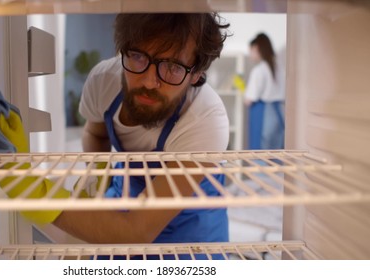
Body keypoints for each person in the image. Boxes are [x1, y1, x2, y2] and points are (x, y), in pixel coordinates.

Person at [52, 13, 230, 259]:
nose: (148, 81)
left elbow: (136, 232)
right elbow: (95, 133)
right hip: (127, 198)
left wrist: (36, 197)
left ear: (196, 75)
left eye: (172, 67)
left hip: (192, 226)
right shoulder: (104, 81)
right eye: (137, 56)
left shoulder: (205, 117)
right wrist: (97, 176)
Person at [244, 33, 285, 150]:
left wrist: (244, 93)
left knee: (260, 154)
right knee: (276, 154)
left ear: (256, 48)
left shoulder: (259, 70)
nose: (250, 53)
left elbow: (249, 100)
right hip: (278, 114)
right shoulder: (280, 68)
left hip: (263, 115)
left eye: (250, 50)